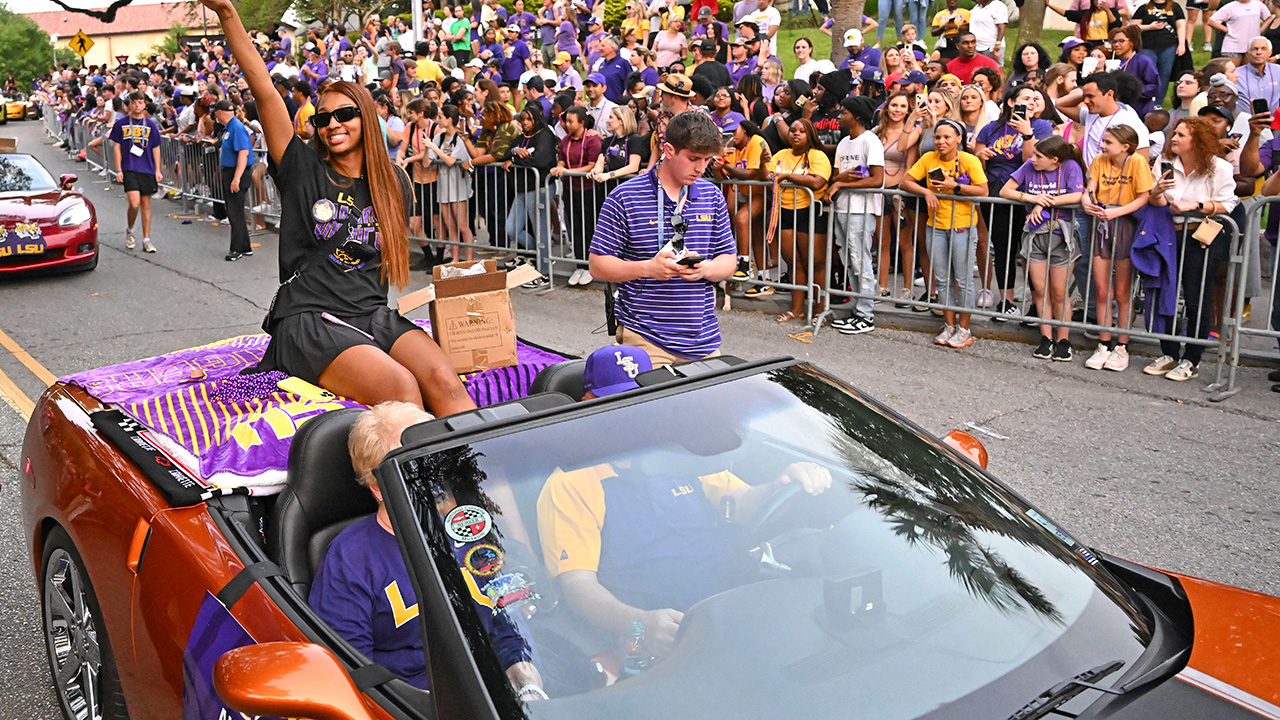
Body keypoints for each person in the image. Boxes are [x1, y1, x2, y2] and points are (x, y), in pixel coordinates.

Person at [198, 0, 475, 415]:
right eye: (323, 119)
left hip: (371, 315)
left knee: (445, 382)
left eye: (344, 114)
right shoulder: (302, 169)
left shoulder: (394, 182)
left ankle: (479, 480)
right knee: (401, 389)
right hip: (309, 317)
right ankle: (415, 481)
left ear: (365, 116)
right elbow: (264, 89)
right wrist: (226, 12)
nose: (332, 124)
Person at [310, 402, 545, 700]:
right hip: (415, 703)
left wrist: (528, 686)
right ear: (378, 488)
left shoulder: (466, 531)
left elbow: (507, 625)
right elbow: (351, 673)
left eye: (435, 459)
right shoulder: (350, 559)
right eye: (417, 467)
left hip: (497, 696)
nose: (435, 478)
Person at [537, 433, 831, 658]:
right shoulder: (571, 481)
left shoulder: (684, 454)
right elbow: (576, 586)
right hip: (668, 638)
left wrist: (779, 484)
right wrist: (639, 623)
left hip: (736, 606)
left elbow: (740, 503)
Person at [589, 111, 737, 366]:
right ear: (668, 150)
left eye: (706, 159)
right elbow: (597, 265)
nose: (701, 168)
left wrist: (706, 268)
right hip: (645, 338)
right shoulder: (625, 197)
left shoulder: (712, 196)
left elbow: (729, 260)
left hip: (703, 340)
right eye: (693, 159)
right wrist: (648, 268)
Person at [1143, 117, 1240, 382]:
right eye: (1174, 133)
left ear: (1197, 140)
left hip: (1204, 233)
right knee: (1166, 292)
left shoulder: (1218, 166)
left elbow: (1228, 204)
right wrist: (1157, 192)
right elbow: (1157, 201)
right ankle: (1169, 351)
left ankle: (1192, 359)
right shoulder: (1165, 164)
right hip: (1168, 233)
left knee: (1197, 296)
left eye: (1181, 135)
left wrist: (1195, 205)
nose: (1173, 138)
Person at [901, 119, 989, 348]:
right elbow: (906, 181)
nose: (940, 142)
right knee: (942, 279)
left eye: (947, 137)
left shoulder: (970, 160)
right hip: (936, 226)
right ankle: (949, 326)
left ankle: (965, 329)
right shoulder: (929, 158)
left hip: (963, 226)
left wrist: (954, 186)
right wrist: (926, 193)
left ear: (959, 139)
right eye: (937, 137)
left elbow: (983, 190)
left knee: (963, 279)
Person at [997, 136, 1085, 361]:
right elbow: (1005, 191)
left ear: (1055, 160)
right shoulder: (1029, 166)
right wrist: (1032, 197)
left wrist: (1046, 202)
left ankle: (1063, 339)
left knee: (1059, 291)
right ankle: (1045, 338)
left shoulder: (1070, 167)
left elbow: (1078, 194)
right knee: (1039, 289)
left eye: (1039, 156)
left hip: (1061, 234)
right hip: (1035, 235)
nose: (1032, 159)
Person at [1075, 125, 1152, 371]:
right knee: (1101, 289)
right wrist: (1087, 202)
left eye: (1108, 142)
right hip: (1102, 223)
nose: (1103, 145)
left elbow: (1144, 196)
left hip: (1125, 223)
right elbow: (1090, 188)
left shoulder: (1137, 162)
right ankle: (1104, 343)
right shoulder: (1099, 160)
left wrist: (1117, 211)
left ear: (1124, 146)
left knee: (1122, 291)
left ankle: (1122, 346)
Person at [827, 96, 885, 337]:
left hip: (862, 209)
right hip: (843, 208)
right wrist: (840, 182)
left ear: (857, 116)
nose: (840, 116)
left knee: (860, 260)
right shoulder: (843, 143)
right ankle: (858, 309)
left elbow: (877, 179)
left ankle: (866, 314)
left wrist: (842, 186)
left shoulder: (870, 141)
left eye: (844, 113)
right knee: (848, 258)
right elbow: (835, 177)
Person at [714, 115, 772, 294]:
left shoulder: (756, 141)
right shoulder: (733, 149)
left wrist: (725, 165)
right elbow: (725, 180)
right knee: (755, 236)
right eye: (727, 133)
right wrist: (718, 167)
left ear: (744, 128)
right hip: (748, 194)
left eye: (734, 131)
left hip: (765, 192)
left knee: (741, 218)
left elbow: (748, 173)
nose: (731, 136)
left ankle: (745, 262)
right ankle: (765, 280)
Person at [506, 105, 558, 284]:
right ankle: (542, 254)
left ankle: (543, 272)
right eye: (523, 120)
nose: (526, 123)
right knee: (512, 229)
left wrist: (516, 160)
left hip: (539, 187)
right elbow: (506, 152)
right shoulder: (521, 138)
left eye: (529, 119)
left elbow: (540, 160)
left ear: (536, 119)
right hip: (521, 188)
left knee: (540, 229)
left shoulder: (545, 135)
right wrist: (514, 152)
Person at [110, 91, 164, 254]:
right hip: (129, 167)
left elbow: (156, 147)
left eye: (141, 102)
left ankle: (146, 239)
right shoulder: (121, 124)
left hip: (146, 167)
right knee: (134, 203)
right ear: (129, 104)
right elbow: (117, 147)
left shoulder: (150, 125)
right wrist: (119, 169)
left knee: (146, 204)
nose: (137, 105)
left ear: (145, 104)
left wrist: (158, 169)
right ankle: (130, 229)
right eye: (134, 102)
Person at [427, 105, 477, 263]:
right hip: (443, 185)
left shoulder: (460, 138)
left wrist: (434, 148)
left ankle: (469, 259)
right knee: (450, 225)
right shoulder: (439, 137)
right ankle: (455, 258)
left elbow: (450, 161)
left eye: (441, 117)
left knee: (462, 225)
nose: (438, 120)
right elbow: (428, 161)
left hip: (457, 185)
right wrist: (426, 148)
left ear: (449, 119)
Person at [214, 99, 254, 261]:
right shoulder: (228, 128)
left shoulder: (236, 127)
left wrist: (236, 178)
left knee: (235, 212)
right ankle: (245, 246)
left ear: (221, 112)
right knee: (234, 209)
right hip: (229, 171)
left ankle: (236, 248)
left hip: (236, 172)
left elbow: (243, 153)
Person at [1131, 0, 1185, 105]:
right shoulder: (1144, 8)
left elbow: (1181, 26)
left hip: (1168, 46)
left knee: (1164, 75)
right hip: (1147, 46)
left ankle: (1158, 103)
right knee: (1147, 74)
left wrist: (1182, 44)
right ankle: (1143, 99)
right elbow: (1134, 27)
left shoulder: (1175, 7)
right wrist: (1150, 27)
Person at [1110, 26, 1159, 115]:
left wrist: (1131, 93)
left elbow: (1154, 86)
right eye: (1114, 42)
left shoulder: (1143, 61)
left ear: (1132, 42)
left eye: (1121, 41)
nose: (1116, 45)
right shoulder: (1112, 62)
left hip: (1139, 110)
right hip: (1116, 111)